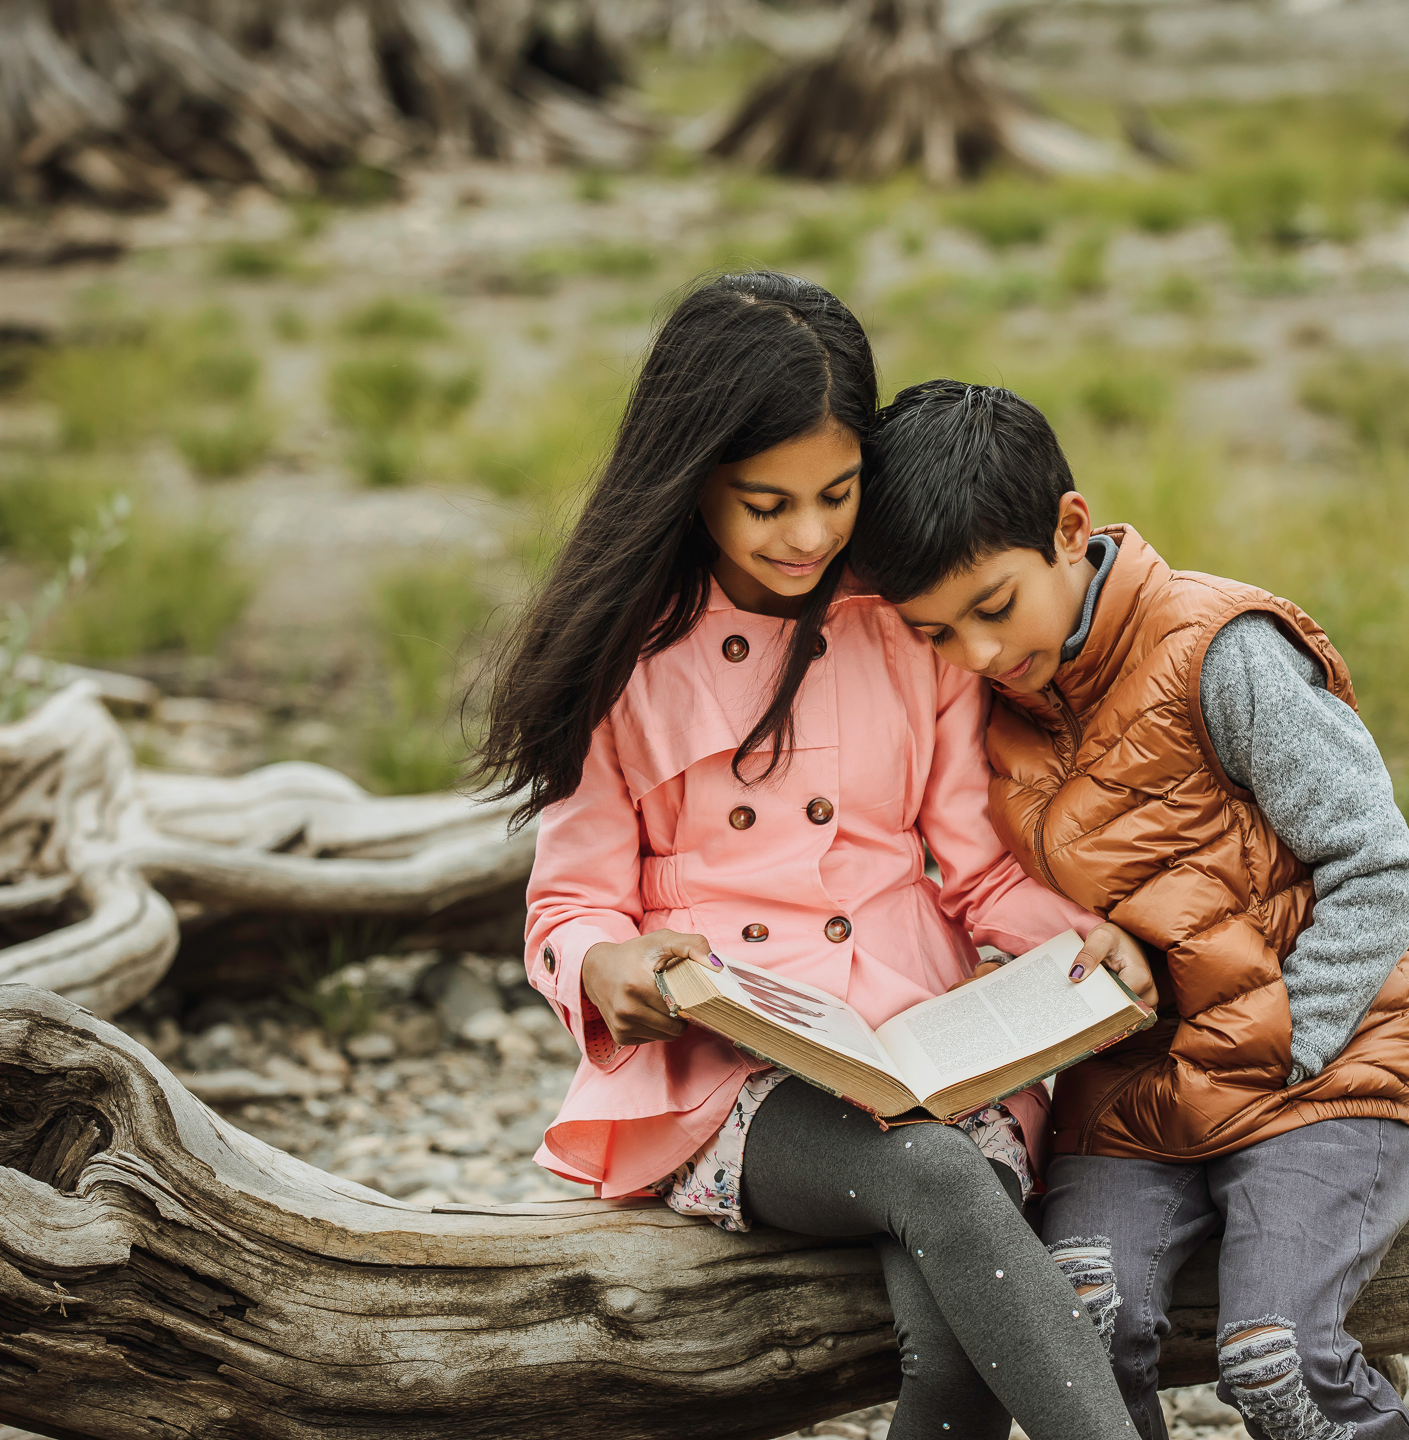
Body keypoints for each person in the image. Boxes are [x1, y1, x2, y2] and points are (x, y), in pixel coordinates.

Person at [474, 275, 1150, 1440]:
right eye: (765, 503)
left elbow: (977, 870)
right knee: (940, 1182)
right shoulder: (623, 658)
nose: (809, 536)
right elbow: (571, 904)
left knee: (950, 1344)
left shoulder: (904, 624)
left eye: (836, 495)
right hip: (735, 1074)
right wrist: (610, 971)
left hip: (919, 1047)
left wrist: (1080, 947)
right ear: (691, 484)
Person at [851, 379, 1409, 1440]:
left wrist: (1290, 1041)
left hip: (1320, 1079)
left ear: (1071, 528)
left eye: (993, 606)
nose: (978, 653)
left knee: (1277, 1364)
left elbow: (1379, 864)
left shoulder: (1223, 650)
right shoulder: (989, 705)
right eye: (938, 633)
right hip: (1126, 1101)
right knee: (1078, 1327)